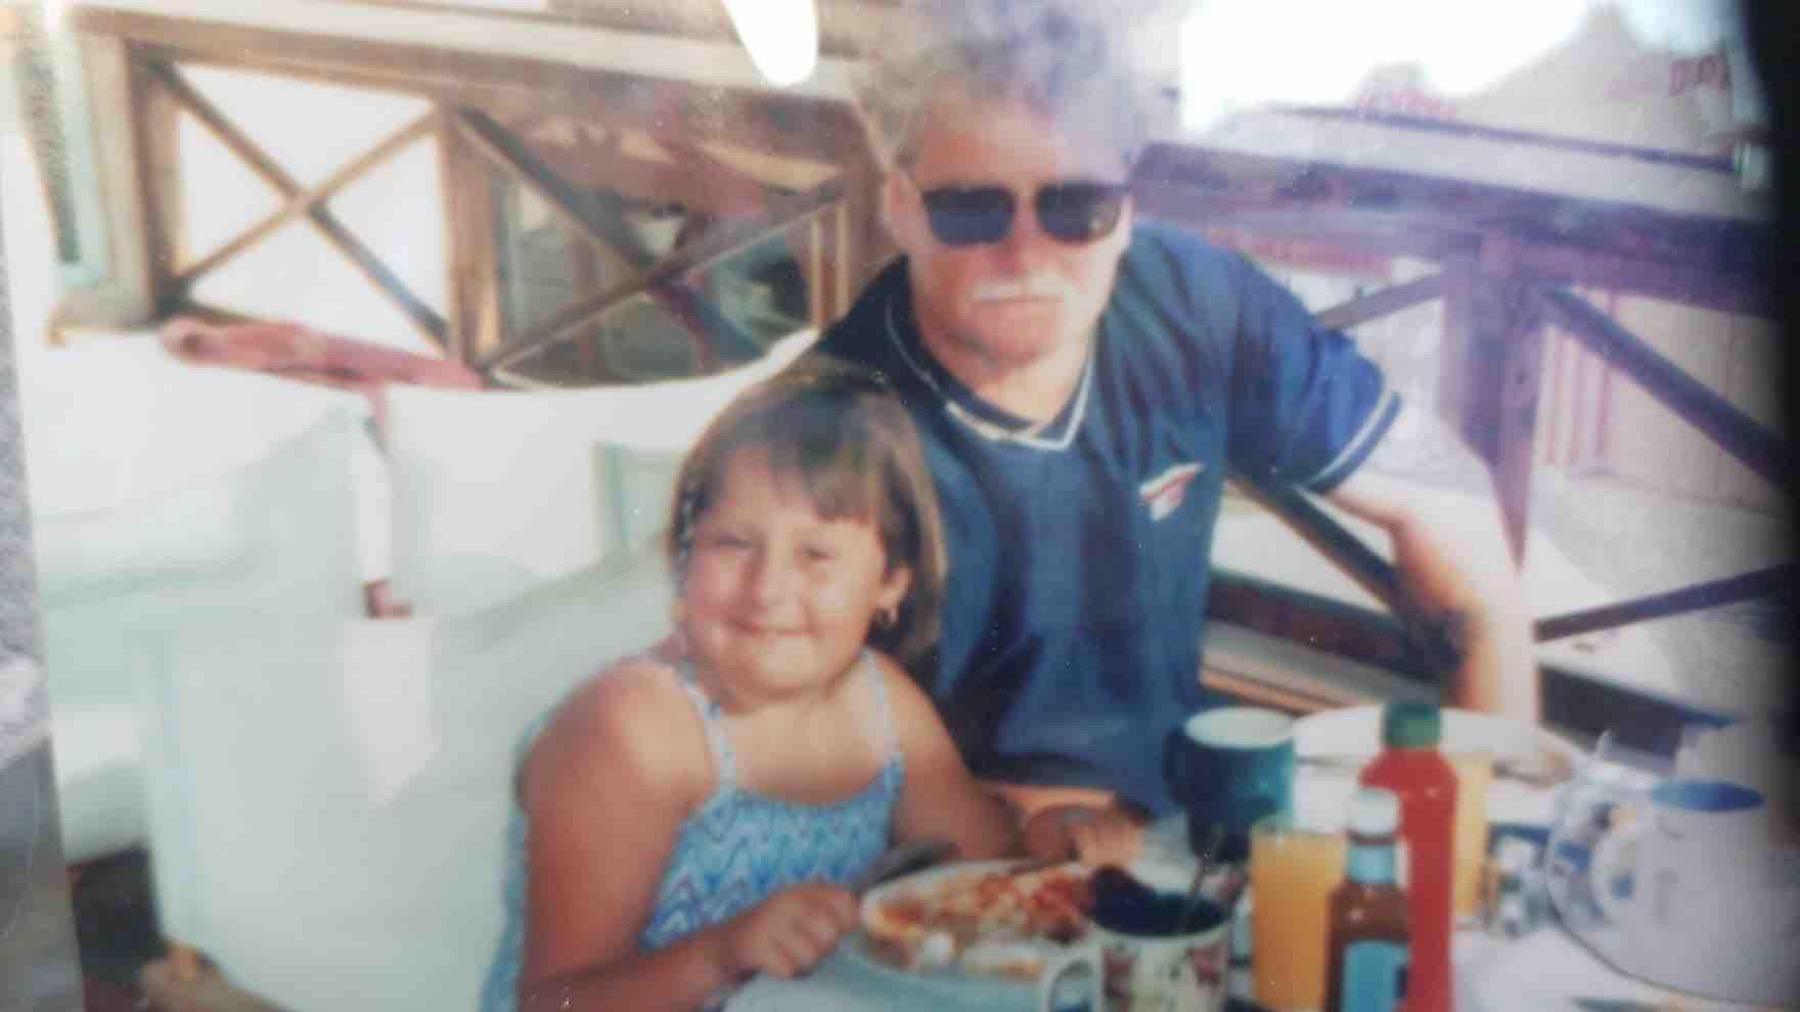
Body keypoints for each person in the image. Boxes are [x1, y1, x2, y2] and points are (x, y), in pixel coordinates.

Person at [814, 0, 1538, 838]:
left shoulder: (1198, 305)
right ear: (901, 207)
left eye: (1076, 208)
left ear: (1127, 211)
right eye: (973, 210)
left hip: (1177, 833)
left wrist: (1486, 817)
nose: (1026, 255)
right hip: (937, 869)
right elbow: (782, 753)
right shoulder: (825, 427)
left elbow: (1449, 497)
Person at [481, 363, 1114, 1012]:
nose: (768, 590)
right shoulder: (633, 729)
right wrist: (719, 955)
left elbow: (989, 874)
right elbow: (551, 1003)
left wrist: (1055, 839)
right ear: (683, 558)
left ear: (891, 582)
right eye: (733, 544)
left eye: (815, 555)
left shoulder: (880, 704)